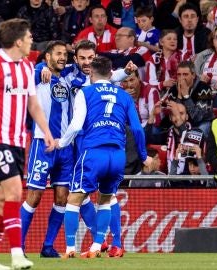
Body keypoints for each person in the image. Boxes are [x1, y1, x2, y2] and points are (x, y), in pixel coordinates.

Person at [0, 18, 54, 270]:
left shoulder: (26, 67)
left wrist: (46, 131)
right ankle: (16, 254)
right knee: (15, 192)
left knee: (0, 201)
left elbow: (33, 105)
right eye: (28, 38)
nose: (31, 41)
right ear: (18, 41)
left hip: (17, 141)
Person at [55, 56, 151, 258]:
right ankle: (97, 247)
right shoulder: (124, 95)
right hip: (117, 155)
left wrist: (61, 143)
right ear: (111, 74)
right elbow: (137, 128)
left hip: (93, 152)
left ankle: (70, 249)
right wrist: (143, 155)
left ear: (91, 73)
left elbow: (76, 124)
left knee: (74, 200)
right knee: (106, 200)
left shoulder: (85, 92)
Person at [21, 40, 71, 258]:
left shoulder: (69, 78)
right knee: (35, 195)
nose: (62, 57)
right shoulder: (38, 74)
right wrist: (39, 68)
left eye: (65, 54)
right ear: (47, 57)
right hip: (43, 144)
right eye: (58, 53)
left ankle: (48, 246)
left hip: (66, 148)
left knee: (62, 197)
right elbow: (24, 77)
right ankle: (18, 248)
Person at [166, 61, 214, 137]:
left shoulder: (204, 89)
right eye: (179, 75)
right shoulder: (173, 90)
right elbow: (173, 115)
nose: (181, 78)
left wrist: (186, 96)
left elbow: (198, 117)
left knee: (199, 132)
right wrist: (179, 96)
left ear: (193, 75)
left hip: (201, 123)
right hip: (179, 123)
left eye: (185, 74)